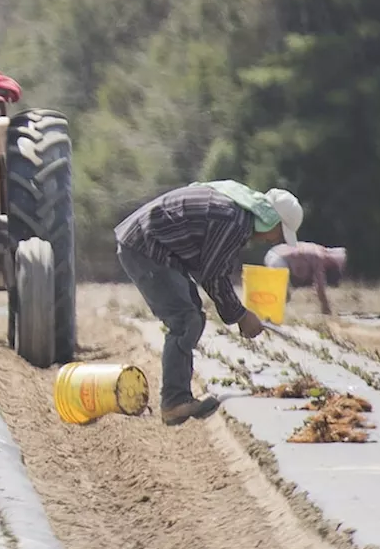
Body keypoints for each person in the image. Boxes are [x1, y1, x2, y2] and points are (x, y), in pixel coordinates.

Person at [114, 180, 303, 426]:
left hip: (153, 246)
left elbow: (210, 267)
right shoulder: (233, 221)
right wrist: (241, 316)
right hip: (145, 247)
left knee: (192, 313)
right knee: (185, 319)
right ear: (271, 220)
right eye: (279, 232)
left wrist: (236, 312)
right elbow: (213, 275)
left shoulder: (234, 206)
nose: (273, 240)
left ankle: (178, 397)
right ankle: (174, 402)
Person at [266, 242, 347, 315]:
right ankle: (271, 315)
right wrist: (325, 307)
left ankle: (274, 314)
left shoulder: (317, 250)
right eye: (333, 266)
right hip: (277, 259)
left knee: (283, 295)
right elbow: (319, 286)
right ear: (331, 260)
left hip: (274, 253)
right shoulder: (319, 257)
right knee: (282, 295)